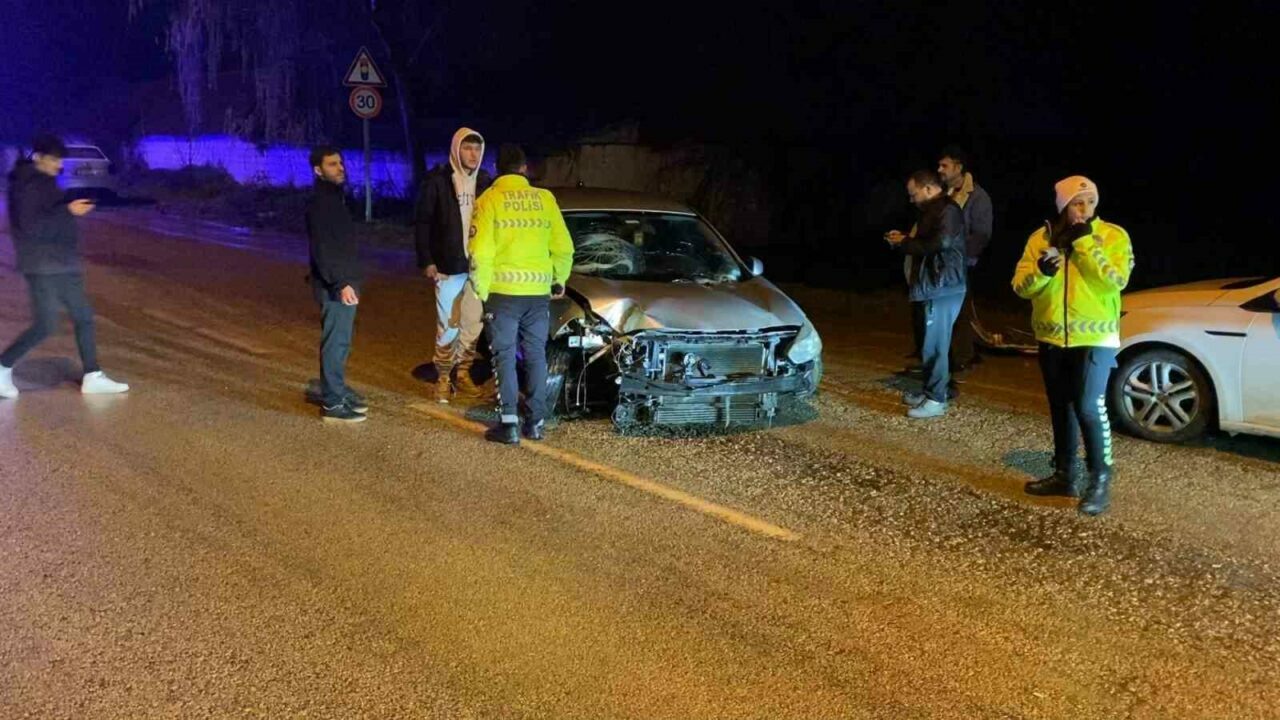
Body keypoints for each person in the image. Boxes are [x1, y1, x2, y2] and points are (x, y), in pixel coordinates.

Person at [1012, 176, 1133, 516]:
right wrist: (1041, 273)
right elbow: (1021, 287)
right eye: (1078, 202)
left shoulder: (1112, 236)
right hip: (1051, 337)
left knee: (1089, 407)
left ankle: (1100, 480)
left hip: (1095, 339)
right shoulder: (1041, 238)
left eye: (1091, 201)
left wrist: (1085, 244)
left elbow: (1116, 281)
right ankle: (1065, 476)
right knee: (1061, 407)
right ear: (1063, 205)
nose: (1085, 209)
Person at [0, 134, 129, 399]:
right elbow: (32, 226)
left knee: (83, 315)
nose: (58, 165)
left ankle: (93, 376)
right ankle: (2, 367)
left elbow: (52, 214)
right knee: (46, 324)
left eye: (60, 160)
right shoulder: (27, 184)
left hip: (62, 261)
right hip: (42, 265)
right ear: (38, 157)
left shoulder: (44, 182)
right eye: (54, 160)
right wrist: (68, 211)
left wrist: (69, 208)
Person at [468, 144, 574, 444]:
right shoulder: (545, 199)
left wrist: (481, 289)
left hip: (502, 294)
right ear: (524, 169)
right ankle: (537, 422)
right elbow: (564, 247)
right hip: (538, 294)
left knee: (503, 356)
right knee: (536, 355)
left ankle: (510, 424)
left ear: (497, 169)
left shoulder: (489, 199)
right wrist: (558, 279)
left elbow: (479, 251)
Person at [414, 128, 492, 403]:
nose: (473, 154)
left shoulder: (484, 182)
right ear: (456, 149)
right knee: (448, 325)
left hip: (478, 268)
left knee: (473, 325)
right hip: (448, 266)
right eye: (468, 148)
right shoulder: (438, 181)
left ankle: (463, 374)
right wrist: (427, 260)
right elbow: (422, 222)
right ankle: (444, 378)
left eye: (477, 149)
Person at [885, 170, 967, 418]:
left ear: (929, 189)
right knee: (928, 343)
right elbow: (930, 242)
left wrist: (904, 244)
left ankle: (936, 399)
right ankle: (932, 390)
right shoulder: (932, 212)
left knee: (935, 345)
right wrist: (906, 240)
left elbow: (939, 244)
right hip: (932, 285)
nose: (912, 200)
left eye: (914, 194)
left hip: (942, 286)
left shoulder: (948, 211)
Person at [306, 146, 367, 423]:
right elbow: (323, 249)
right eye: (332, 164)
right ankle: (332, 403)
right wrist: (341, 283)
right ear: (318, 170)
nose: (340, 168)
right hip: (336, 285)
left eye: (340, 163)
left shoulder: (335, 198)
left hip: (343, 281)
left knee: (341, 342)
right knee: (336, 342)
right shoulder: (321, 202)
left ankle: (336, 390)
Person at [936, 145, 993, 371]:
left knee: (959, 313)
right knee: (945, 312)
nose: (939, 169)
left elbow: (982, 233)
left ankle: (962, 357)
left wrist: (962, 258)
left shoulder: (977, 197)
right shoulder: (944, 194)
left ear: (959, 168)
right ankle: (949, 356)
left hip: (960, 264)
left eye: (944, 165)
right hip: (942, 264)